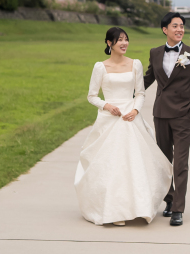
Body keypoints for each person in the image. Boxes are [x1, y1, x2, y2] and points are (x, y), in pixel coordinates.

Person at [74, 27, 173, 226]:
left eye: (126, 39)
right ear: (109, 43)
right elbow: (92, 96)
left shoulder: (135, 64)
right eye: (120, 40)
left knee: (134, 163)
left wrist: (135, 111)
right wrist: (107, 105)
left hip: (130, 117)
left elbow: (140, 93)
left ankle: (139, 206)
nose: (124, 43)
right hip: (110, 118)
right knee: (111, 165)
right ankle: (113, 209)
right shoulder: (100, 67)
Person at [144, 12, 190, 226]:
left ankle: (179, 208)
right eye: (175, 26)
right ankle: (169, 200)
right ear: (165, 29)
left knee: (180, 163)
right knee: (164, 162)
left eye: (182, 26)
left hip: (182, 116)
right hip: (160, 114)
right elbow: (147, 80)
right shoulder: (155, 53)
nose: (179, 29)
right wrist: (125, 91)